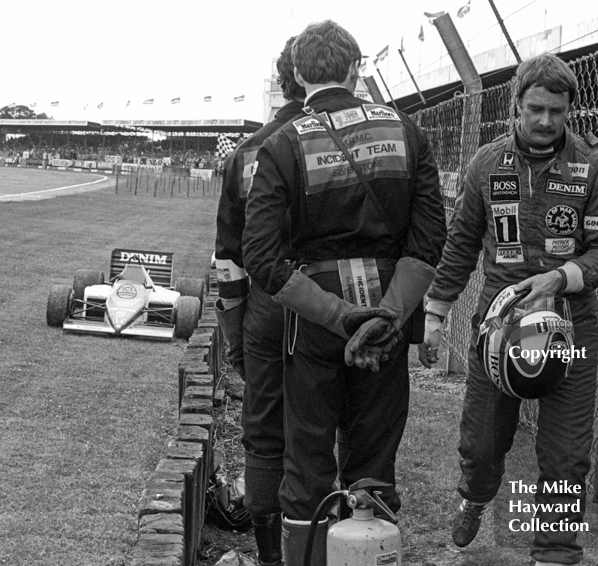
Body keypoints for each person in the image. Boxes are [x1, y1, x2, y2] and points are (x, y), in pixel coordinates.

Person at [242, 19, 445, 563]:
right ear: (357, 69)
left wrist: (341, 319)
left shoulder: (282, 143)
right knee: (374, 461)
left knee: (307, 464)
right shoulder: (407, 131)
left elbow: (260, 258)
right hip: (390, 306)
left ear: (298, 74)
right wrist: (385, 318)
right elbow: (429, 242)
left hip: (313, 315)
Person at [419, 54, 598, 565]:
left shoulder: (597, 166)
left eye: (557, 111)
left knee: (566, 457)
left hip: (569, 328)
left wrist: (560, 277)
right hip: (499, 326)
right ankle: (475, 496)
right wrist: (434, 315)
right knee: (484, 443)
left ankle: (553, 553)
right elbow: (461, 244)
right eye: (535, 109)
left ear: (570, 110)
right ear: (515, 105)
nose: (545, 121)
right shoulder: (487, 164)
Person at [213, 36, 307, 566]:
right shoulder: (345, 139)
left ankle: (272, 557)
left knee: (265, 432)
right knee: (332, 428)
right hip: (337, 302)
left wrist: (235, 336)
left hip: (266, 307)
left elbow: (227, 258)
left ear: (283, 81)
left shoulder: (250, 151)